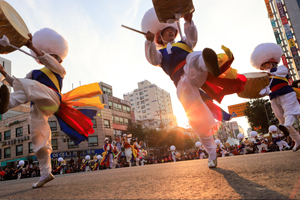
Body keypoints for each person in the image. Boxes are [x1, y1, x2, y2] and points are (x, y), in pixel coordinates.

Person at [141, 7, 246, 168]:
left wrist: (188, 21)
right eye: (166, 30)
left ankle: (209, 63)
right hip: (182, 85)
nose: (170, 32)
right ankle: (211, 154)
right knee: (198, 121)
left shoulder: (184, 43)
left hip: (194, 71)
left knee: (194, 56)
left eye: (172, 30)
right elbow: (153, 59)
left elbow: (192, 38)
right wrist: (148, 41)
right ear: (159, 36)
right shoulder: (161, 54)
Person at [0, 28, 104, 188]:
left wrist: (31, 46)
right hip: (38, 105)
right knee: (39, 137)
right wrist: (3, 73)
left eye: (54, 56)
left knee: (29, 86)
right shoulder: (33, 73)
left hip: (52, 98)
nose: (50, 57)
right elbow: (16, 84)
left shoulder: (60, 70)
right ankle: (45, 173)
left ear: (59, 59)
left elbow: (46, 61)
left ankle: (5, 105)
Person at [250, 43, 300, 152]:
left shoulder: (281, 68)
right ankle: (297, 139)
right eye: (262, 66)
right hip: (274, 96)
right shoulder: (266, 76)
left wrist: (268, 75)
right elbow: (266, 90)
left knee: (289, 112)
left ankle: (287, 127)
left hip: (287, 92)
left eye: (264, 65)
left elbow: (281, 73)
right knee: (280, 119)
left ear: (272, 62)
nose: (263, 68)